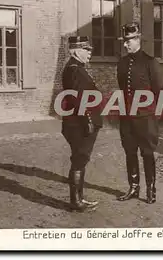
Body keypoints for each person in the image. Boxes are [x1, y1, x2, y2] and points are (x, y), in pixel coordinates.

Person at [116, 23, 163, 204]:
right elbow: (123, 86)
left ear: (137, 40)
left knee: (147, 153)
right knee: (130, 152)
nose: (126, 45)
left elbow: (158, 89)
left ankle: (151, 188)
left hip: (145, 117)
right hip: (127, 116)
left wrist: (150, 111)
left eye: (128, 41)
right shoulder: (122, 63)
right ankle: (134, 187)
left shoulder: (150, 62)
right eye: (125, 41)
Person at [60, 36, 103, 212]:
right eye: (87, 50)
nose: (90, 53)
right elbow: (78, 100)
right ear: (76, 51)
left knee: (80, 159)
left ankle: (79, 198)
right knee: (79, 160)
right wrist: (89, 121)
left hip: (78, 123)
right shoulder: (74, 70)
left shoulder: (76, 68)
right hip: (80, 125)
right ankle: (76, 201)